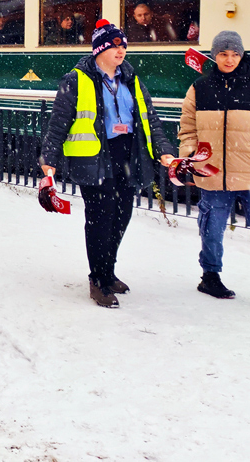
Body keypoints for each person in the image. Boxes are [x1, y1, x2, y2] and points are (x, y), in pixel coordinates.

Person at [40, 19, 176, 308]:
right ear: (99, 48)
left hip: (128, 155)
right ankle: (99, 280)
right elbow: (58, 124)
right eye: (115, 45)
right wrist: (48, 161)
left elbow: (150, 119)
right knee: (100, 219)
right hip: (95, 157)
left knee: (122, 215)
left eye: (123, 45)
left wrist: (164, 150)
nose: (121, 50)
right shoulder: (76, 80)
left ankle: (109, 270)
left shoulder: (131, 78)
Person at [177, 31, 250, 311]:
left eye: (234, 54)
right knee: (211, 228)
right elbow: (187, 128)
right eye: (222, 54)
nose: (229, 59)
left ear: (242, 55)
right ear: (214, 56)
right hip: (213, 174)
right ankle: (210, 277)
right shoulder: (199, 88)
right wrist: (192, 157)